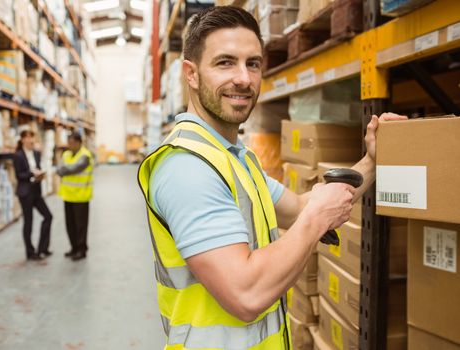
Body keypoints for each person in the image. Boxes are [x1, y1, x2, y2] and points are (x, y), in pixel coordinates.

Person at [137, 6, 407, 350]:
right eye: (225, 62)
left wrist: (372, 161)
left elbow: (301, 207)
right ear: (191, 74)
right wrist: (315, 220)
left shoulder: (235, 159)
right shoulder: (187, 168)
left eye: (253, 63)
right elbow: (245, 294)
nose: (244, 79)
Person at [13, 130, 53, 261]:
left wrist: (40, 175)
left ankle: (43, 248)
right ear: (23, 139)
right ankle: (30, 252)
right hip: (25, 192)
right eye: (28, 138)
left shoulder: (36, 153)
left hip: (36, 191)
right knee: (28, 222)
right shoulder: (18, 155)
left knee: (48, 216)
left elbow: (38, 167)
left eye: (32, 138)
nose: (31, 140)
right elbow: (19, 175)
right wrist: (32, 175)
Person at [56, 132, 94, 261]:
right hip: (67, 196)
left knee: (81, 226)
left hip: (81, 197)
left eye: (72, 143)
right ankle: (73, 248)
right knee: (70, 225)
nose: (70, 145)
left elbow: (73, 169)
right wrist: (63, 169)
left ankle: (81, 250)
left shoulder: (85, 156)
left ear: (79, 142)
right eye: (69, 143)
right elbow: (59, 168)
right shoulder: (66, 154)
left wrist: (64, 169)